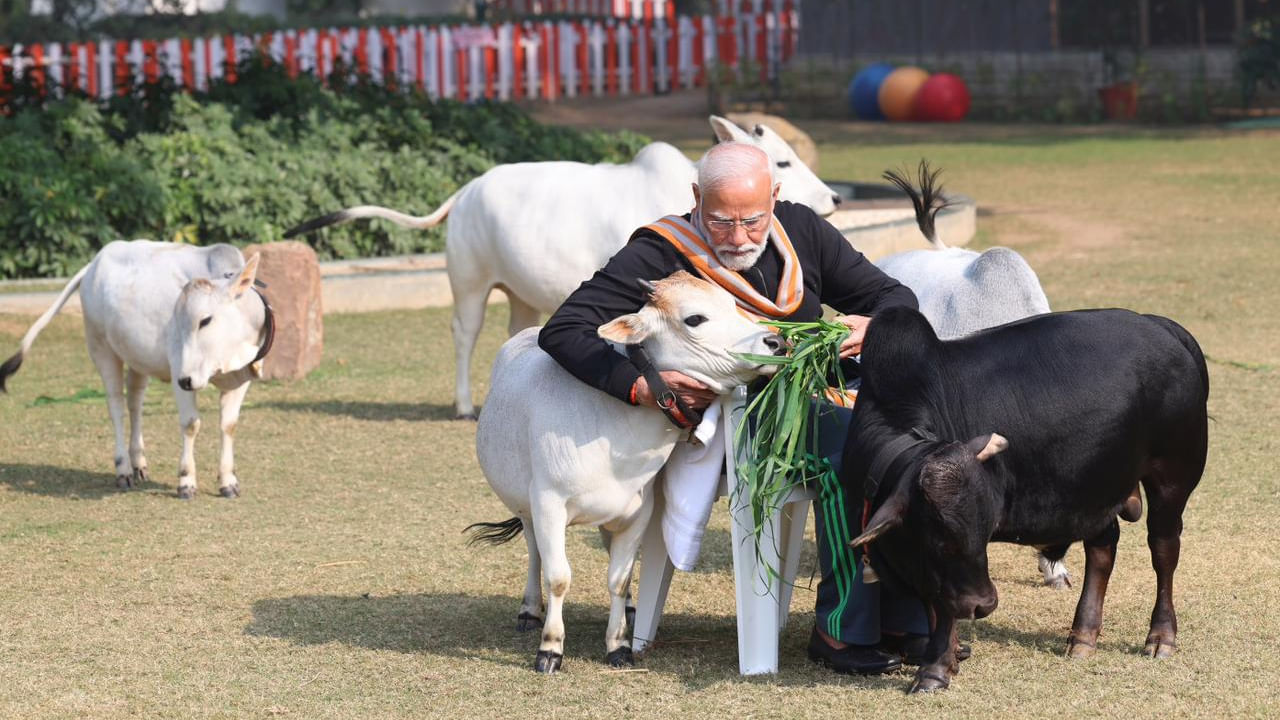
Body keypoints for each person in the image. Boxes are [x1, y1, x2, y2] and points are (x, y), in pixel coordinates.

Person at [537, 141, 927, 675]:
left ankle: (907, 620)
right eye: (720, 221)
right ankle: (841, 632)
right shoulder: (660, 251)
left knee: (912, 443)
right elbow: (564, 329)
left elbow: (894, 296)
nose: (738, 237)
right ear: (697, 198)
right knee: (856, 448)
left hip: (814, 397)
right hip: (734, 422)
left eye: (753, 219)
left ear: (776, 197)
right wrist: (643, 386)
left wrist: (873, 324)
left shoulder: (802, 231)